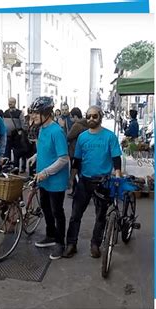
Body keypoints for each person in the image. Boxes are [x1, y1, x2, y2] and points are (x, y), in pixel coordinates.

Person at [63, 106, 122, 259]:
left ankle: (95, 244)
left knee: (101, 216)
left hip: (103, 182)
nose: (91, 119)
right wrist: (71, 178)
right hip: (84, 181)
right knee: (75, 214)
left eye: (94, 116)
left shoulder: (110, 137)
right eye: (88, 116)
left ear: (100, 116)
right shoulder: (82, 137)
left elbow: (116, 159)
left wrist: (117, 175)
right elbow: (77, 160)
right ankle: (71, 244)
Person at [28, 97, 69, 260]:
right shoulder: (42, 129)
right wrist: (36, 155)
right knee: (45, 208)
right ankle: (50, 235)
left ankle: (60, 243)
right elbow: (47, 149)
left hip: (55, 180)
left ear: (46, 113)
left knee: (57, 211)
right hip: (43, 178)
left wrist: (46, 172)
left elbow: (63, 158)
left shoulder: (56, 131)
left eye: (36, 113)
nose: (33, 117)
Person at [66, 107, 88, 197]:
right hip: (84, 151)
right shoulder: (86, 123)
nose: (71, 119)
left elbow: (69, 136)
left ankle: (75, 191)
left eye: (71, 117)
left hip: (74, 150)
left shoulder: (77, 125)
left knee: (74, 172)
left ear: (75, 116)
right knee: (81, 172)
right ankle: (83, 191)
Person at [3, 97, 28, 172]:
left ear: (15, 103)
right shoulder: (6, 112)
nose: (10, 103)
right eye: (9, 101)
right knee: (7, 154)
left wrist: (22, 131)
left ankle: (15, 170)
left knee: (16, 153)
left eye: (11, 102)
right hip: (7, 136)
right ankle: (7, 169)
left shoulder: (19, 113)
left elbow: (23, 123)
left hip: (16, 137)